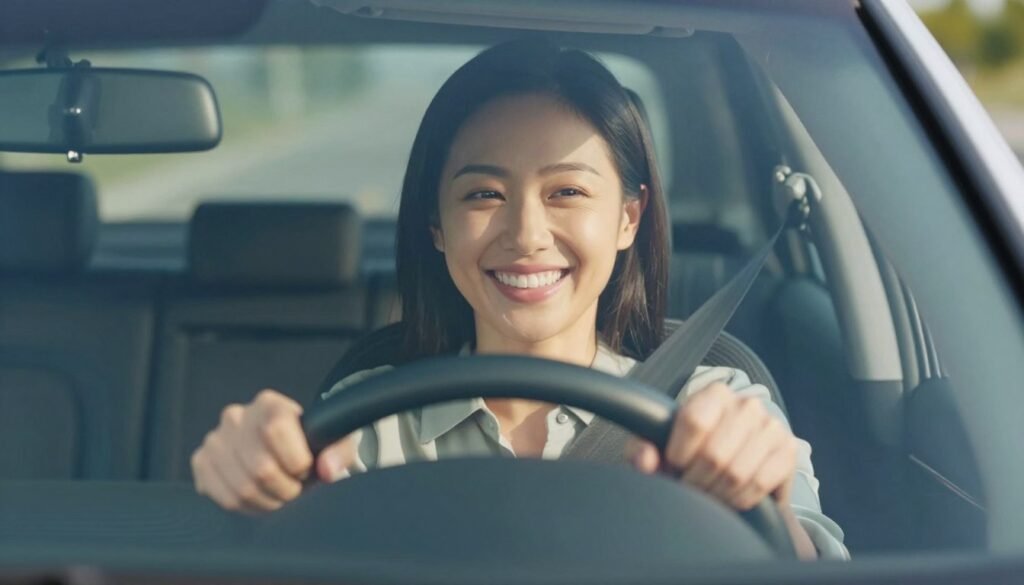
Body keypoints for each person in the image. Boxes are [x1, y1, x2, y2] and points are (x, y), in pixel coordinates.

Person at [190, 40, 848, 560]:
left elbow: (817, 561)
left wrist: (760, 500)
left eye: (567, 192)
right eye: (484, 195)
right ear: (437, 228)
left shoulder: (713, 405)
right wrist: (250, 491)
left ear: (629, 218)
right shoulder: (365, 422)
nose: (527, 235)